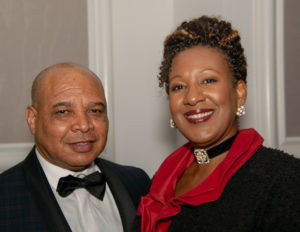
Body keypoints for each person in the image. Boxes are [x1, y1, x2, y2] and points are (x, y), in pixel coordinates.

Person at [137, 16, 300, 231]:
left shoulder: (283, 179)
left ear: (239, 93)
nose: (192, 97)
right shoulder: (163, 179)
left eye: (208, 80)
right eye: (178, 87)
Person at [0, 63, 150, 232]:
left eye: (95, 111)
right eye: (63, 112)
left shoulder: (138, 183)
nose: (84, 125)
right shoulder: (5, 196)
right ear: (33, 119)